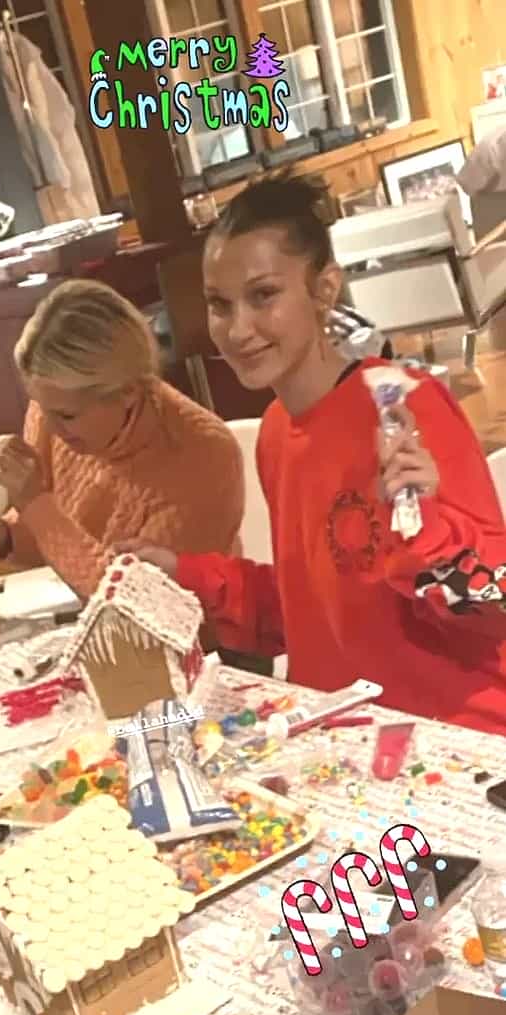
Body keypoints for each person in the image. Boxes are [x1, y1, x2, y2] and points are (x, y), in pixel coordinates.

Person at [116, 175, 506, 736]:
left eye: (264, 296)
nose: (238, 329)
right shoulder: (277, 433)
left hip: (443, 738)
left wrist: (427, 532)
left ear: (324, 289)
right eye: (220, 304)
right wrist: (185, 571)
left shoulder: (404, 406)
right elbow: (306, 612)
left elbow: (490, 605)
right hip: (333, 735)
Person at [0, 279, 243, 597]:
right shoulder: (53, 408)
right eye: (42, 408)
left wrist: (34, 503)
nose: (51, 428)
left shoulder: (204, 455)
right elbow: (55, 542)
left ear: (128, 391)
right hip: (86, 611)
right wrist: (4, 536)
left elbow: (139, 602)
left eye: (67, 416)